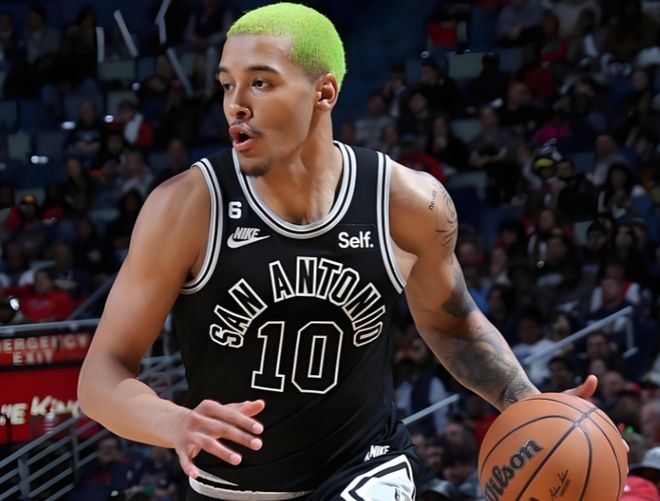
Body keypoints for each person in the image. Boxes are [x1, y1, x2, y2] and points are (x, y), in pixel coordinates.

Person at [78, 4, 599, 500]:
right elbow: (102, 376)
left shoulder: (407, 202)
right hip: (232, 488)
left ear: (324, 92)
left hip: (368, 468)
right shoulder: (187, 207)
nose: (236, 104)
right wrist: (175, 422)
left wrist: (530, 405)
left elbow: (454, 326)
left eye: (260, 82)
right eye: (227, 84)